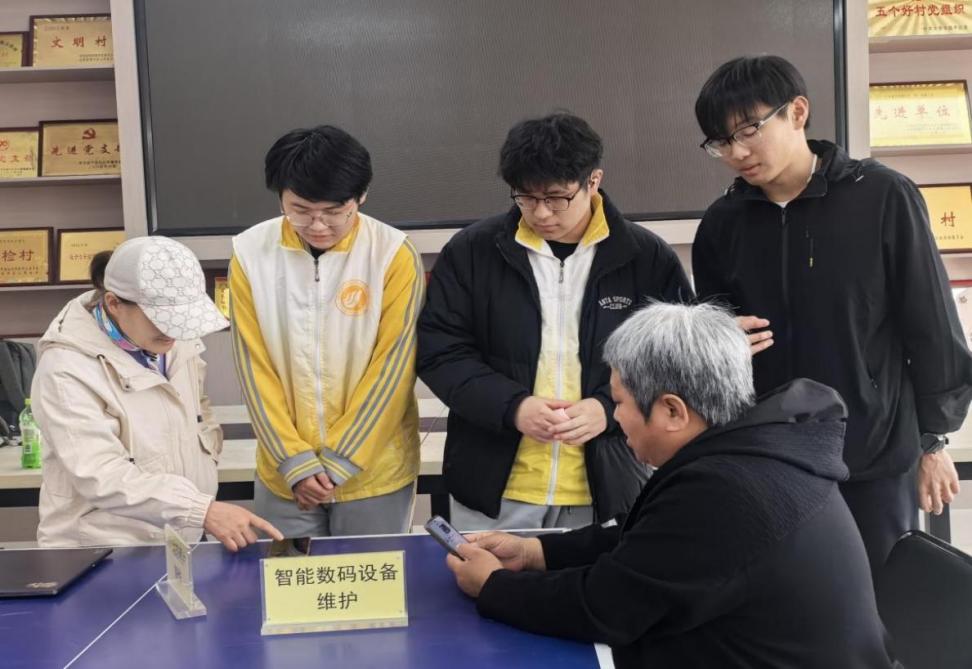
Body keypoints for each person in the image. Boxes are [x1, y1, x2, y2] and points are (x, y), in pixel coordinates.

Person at [447, 303, 895, 669]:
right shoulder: (753, 452)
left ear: (673, 411)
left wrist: (494, 586)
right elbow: (650, 541)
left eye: (619, 402)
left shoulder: (727, 490)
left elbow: (606, 608)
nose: (615, 417)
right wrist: (536, 553)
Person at [691, 55, 972, 576]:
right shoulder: (722, 223)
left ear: (797, 112)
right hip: (769, 461)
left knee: (879, 603)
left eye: (748, 130)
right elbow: (711, 340)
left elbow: (932, 326)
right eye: (721, 142)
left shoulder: (882, 196)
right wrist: (717, 339)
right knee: (783, 604)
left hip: (871, 457)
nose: (737, 153)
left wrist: (934, 441)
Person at [417, 113, 692, 531]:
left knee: (599, 574)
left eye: (557, 198)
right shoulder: (472, 252)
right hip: (495, 487)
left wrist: (607, 409)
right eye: (526, 198)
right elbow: (441, 352)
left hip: (609, 485)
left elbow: (675, 361)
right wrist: (513, 407)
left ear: (593, 181)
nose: (541, 213)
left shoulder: (647, 258)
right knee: (489, 574)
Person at [229, 125, 423, 538]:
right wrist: (293, 461)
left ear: (361, 197)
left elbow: (394, 367)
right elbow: (253, 366)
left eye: (335, 211)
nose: (317, 225)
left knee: (372, 577)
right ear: (280, 197)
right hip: (285, 475)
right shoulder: (249, 253)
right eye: (299, 210)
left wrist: (340, 461)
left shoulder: (392, 253)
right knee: (287, 577)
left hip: (373, 473)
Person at [33, 237, 282, 551]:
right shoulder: (66, 369)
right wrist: (200, 509)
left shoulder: (174, 340)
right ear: (113, 303)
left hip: (179, 536)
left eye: (181, 320)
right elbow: (100, 473)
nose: (173, 331)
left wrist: (204, 464)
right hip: (103, 548)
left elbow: (199, 411)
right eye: (161, 319)